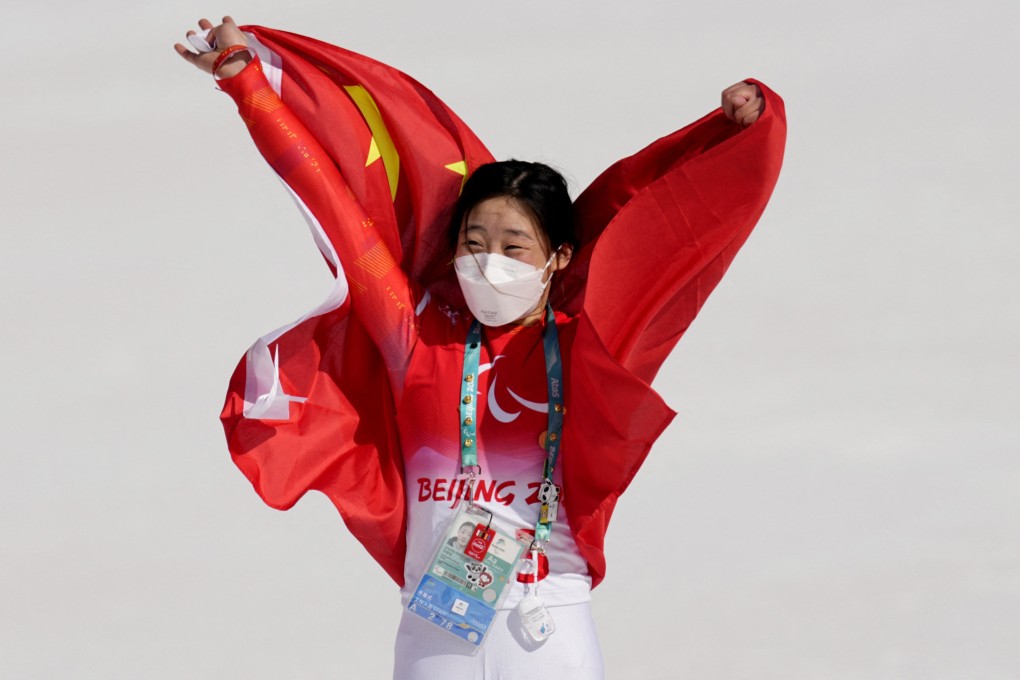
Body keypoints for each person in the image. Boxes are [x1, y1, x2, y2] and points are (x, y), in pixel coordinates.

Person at [175, 16, 784, 679]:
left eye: (514, 246)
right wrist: (252, 90)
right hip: (438, 626)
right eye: (473, 242)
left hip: (548, 627)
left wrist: (745, 126)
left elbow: (683, 226)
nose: (490, 263)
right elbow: (338, 213)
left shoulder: (588, 347)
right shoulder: (415, 333)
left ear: (559, 258)